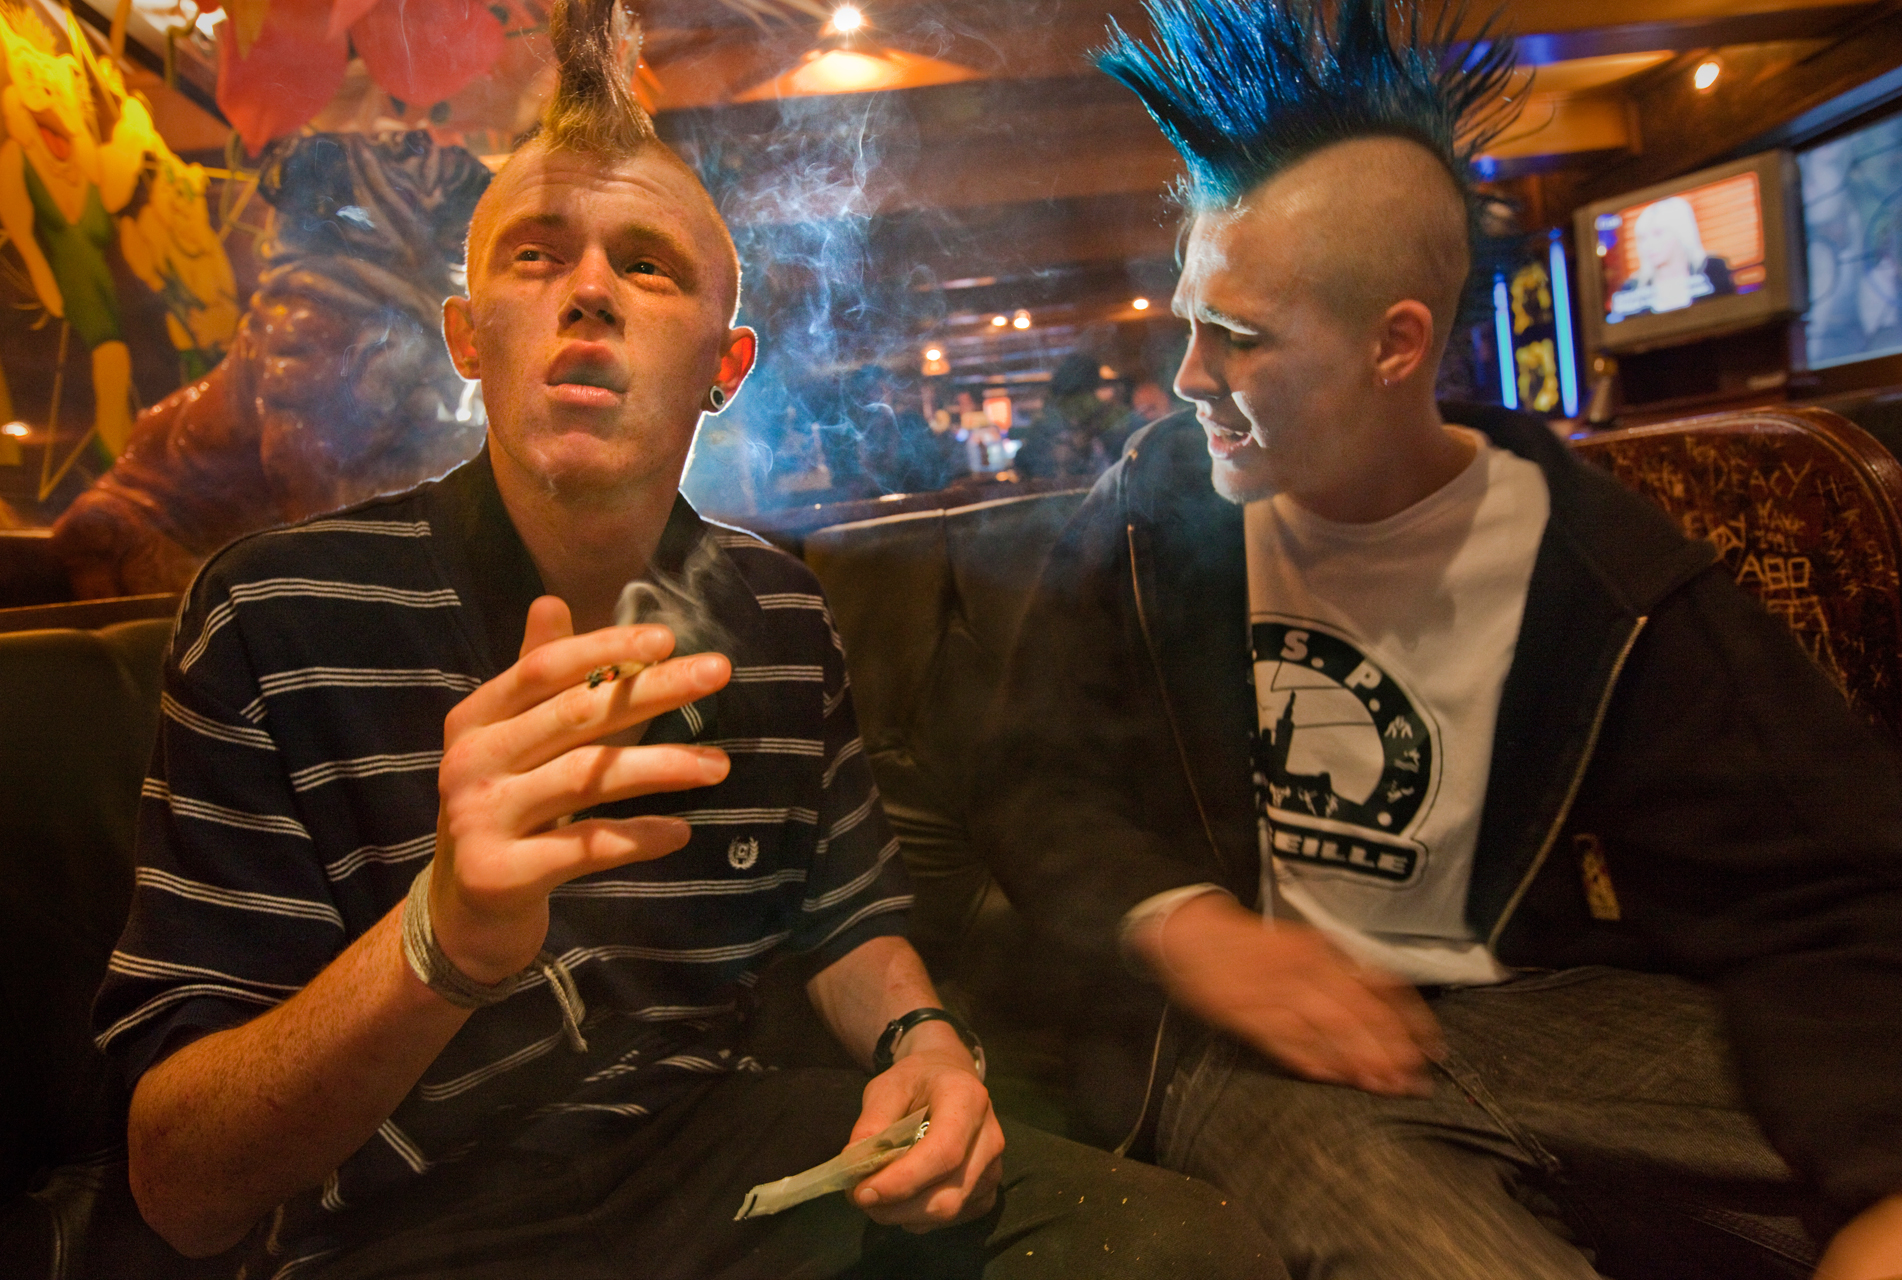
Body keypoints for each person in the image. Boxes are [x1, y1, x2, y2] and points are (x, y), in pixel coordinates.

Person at [89, 1, 1284, 1275]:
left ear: (727, 361)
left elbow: (843, 915)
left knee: (1191, 1247)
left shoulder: (772, 605)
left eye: (647, 264)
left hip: (719, 1168)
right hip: (406, 1222)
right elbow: (181, 1183)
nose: (591, 289)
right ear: (469, 341)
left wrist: (925, 1045)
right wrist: (440, 941)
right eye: (537, 256)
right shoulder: (276, 610)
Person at [974, 1, 1902, 1278]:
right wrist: (1187, 922)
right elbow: (1033, 778)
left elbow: (1825, 895)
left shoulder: (1603, 573)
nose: (1188, 376)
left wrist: (1892, 1184)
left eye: (1238, 338)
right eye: (1189, 319)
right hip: (1230, 1050)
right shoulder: (1151, 517)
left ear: (1395, 345)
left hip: (1528, 1017)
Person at [1608, 195, 1736, 318]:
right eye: (1643, 238)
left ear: (1680, 232)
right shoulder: (1631, 289)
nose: (1649, 245)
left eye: (1658, 234)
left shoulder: (1714, 269)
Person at [1012, 354, 1133, 480]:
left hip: (1058, 494)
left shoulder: (1048, 417)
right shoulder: (1118, 416)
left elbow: (1022, 462)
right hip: (1106, 491)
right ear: (1096, 381)